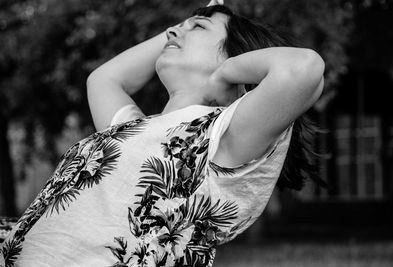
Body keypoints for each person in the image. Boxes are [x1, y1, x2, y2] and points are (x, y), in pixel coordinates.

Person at [0, 0, 324, 266]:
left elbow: (302, 69)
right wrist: (191, 23)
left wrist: (223, 74)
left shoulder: (220, 137)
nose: (171, 32)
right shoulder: (131, 130)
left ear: (238, 56)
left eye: (197, 29)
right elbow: (104, 79)